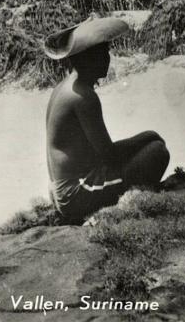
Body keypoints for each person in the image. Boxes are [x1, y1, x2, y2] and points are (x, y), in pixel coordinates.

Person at [44, 17, 170, 224]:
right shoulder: (83, 96)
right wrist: (146, 137)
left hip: (62, 190)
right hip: (75, 194)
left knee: (150, 144)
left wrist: (142, 140)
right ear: (86, 60)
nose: (107, 59)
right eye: (101, 54)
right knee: (157, 152)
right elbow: (109, 155)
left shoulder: (66, 87)